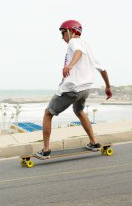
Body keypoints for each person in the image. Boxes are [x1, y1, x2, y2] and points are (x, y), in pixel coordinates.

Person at [36, 20, 112, 159]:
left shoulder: (74, 42)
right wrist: (108, 87)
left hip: (72, 89)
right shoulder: (88, 47)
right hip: (85, 89)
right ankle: (94, 142)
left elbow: (77, 52)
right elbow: (103, 69)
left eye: (63, 33)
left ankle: (46, 149)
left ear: (71, 31)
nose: (62, 37)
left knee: (48, 113)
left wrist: (69, 66)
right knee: (79, 110)